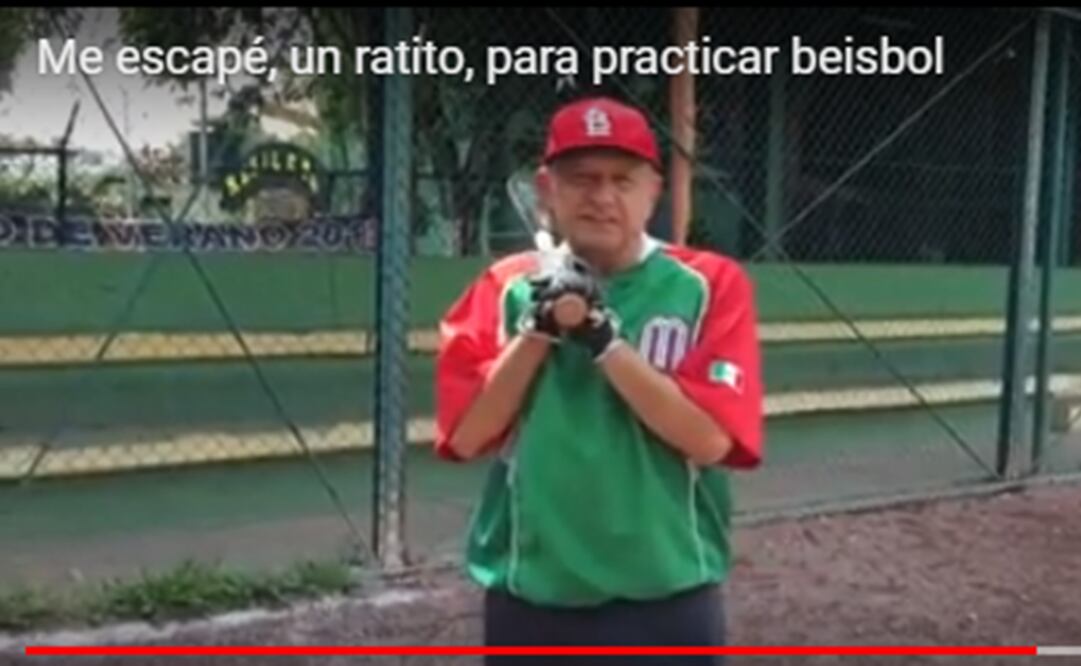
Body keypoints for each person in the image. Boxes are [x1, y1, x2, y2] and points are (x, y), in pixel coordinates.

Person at [433, 95, 764, 665]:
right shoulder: (505, 288)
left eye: (621, 180)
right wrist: (538, 330)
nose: (602, 197)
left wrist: (602, 337)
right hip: (534, 593)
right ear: (547, 189)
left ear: (652, 191)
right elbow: (466, 436)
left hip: (666, 591)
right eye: (582, 179)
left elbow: (711, 440)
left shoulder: (708, 284)